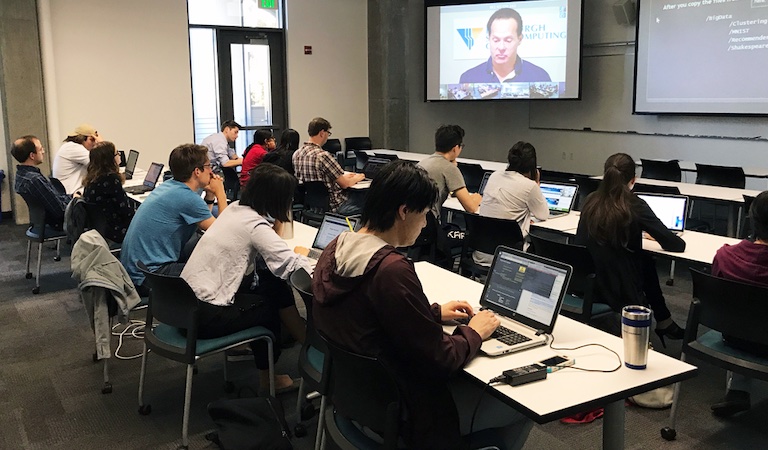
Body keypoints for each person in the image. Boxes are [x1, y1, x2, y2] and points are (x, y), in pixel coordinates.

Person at [312, 160, 532, 449]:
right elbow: (441, 359)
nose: (427, 223)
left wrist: (432, 313)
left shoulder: (336, 248)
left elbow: (365, 315)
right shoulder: (391, 269)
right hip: (407, 415)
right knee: (522, 405)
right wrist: (475, 332)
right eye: (426, 213)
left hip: (359, 404)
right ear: (404, 211)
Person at [181, 163, 311, 394]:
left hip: (182, 307)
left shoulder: (234, 210)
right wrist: (306, 257)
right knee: (269, 306)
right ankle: (269, 378)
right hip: (205, 317)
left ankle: (304, 339)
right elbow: (291, 265)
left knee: (272, 283)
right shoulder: (254, 225)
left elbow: (269, 244)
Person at [575, 153, 686, 340]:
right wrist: (651, 233)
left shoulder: (591, 200)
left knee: (645, 261)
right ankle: (664, 320)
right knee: (645, 262)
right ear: (633, 180)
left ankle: (664, 319)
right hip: (618, 290)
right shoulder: (634, 204)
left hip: (587, 284)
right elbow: (676, 244)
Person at [120, 144, 227, 294]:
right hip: (149, 277)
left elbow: (202, 221)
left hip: (136, 270)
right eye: (208, 166)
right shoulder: (187, 197)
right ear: (197, 171)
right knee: (217, 273)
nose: (211, 171)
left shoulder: (171, 186)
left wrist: (210, 196)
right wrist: (220, 192)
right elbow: (224, 232)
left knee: (198, 245)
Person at [709, 190, 768, 417]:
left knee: (748, 315)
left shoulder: (725, 256)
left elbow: (718, 297)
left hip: (733, 337)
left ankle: (738, 391)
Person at [474, 141, 548, 265]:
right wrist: (537, 184)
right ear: (532, 165)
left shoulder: (494, 176)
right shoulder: (529, 186)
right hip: (509, 259)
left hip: (482, 253)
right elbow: (543, 214)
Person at [292, 117, 365, 215]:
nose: (327, 137)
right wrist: (359, 177)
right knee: (369, 201)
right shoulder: (323, 155)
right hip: (335, 206)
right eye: (328, 133)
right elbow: (345, 184)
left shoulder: (297, 154)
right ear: (322, 133)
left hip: (313, 206)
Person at [459, 8, 551, 84]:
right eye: (496, 40)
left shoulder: (540, 77)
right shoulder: (468, 79)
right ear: (489, 39)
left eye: (508, 40)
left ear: (519, 39)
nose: (501, 47)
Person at [417, 124, 481, 220]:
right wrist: (477, 198)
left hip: (414, 217)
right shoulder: (449, 168)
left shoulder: (422, 163)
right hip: (427, 222)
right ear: (455, 148)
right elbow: (471, 208)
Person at [12, 135, 72, 231]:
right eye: (40, 149)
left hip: (41, 222)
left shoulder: (21, 175)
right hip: (56, 223)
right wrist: (74, 199)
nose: (43, 152)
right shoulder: (35, 179)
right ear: (32, 155)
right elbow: (60, 210)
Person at [81, 141, 135, 243]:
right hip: (115, 230)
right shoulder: (111, 180)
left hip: (100, 228)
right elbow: (125, 211)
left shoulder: (91, 179)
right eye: (116, 153)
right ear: (109, 159)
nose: (119, 155)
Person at [52, 124, 100, 195]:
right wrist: (101, 143)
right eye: (92, 139)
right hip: (70, 196)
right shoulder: (73, 148)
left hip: (69, 194)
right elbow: (102, 163)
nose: (94, 143)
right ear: (82, 139)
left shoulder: (69, 147)